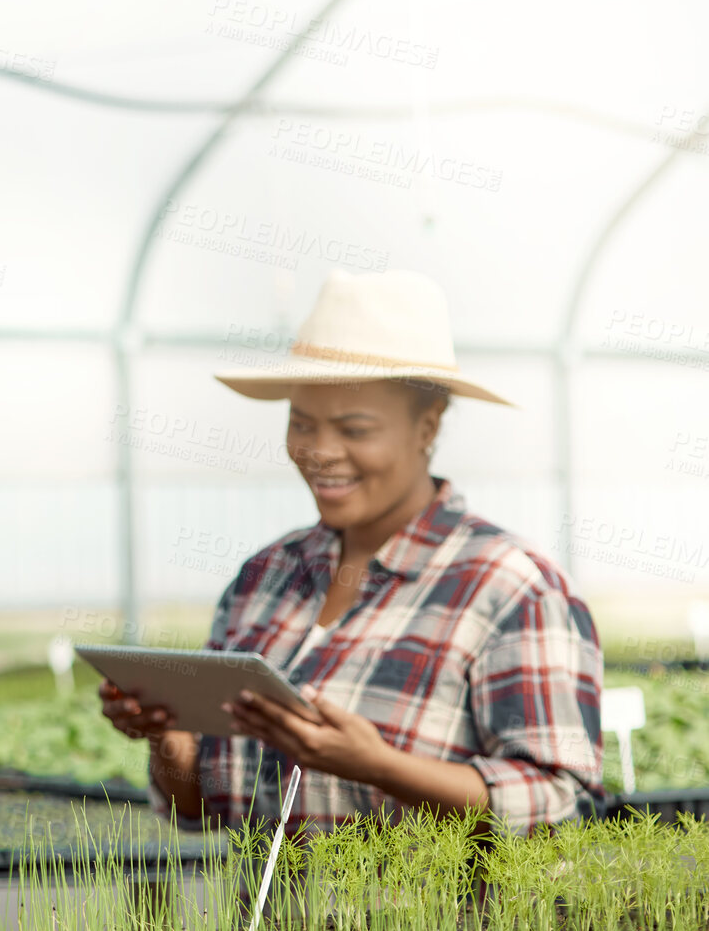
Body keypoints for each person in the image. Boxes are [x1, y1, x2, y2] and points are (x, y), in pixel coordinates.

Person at [100, 269, 603, 835]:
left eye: (355, 429)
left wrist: (382, 768)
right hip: (268, 927)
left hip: (439, 927)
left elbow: (564, 805)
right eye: (302, 423)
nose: (320, 451)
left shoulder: (509, 587)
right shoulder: (264, 578)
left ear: (427, 427)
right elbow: (197, 808)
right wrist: (165, 730)